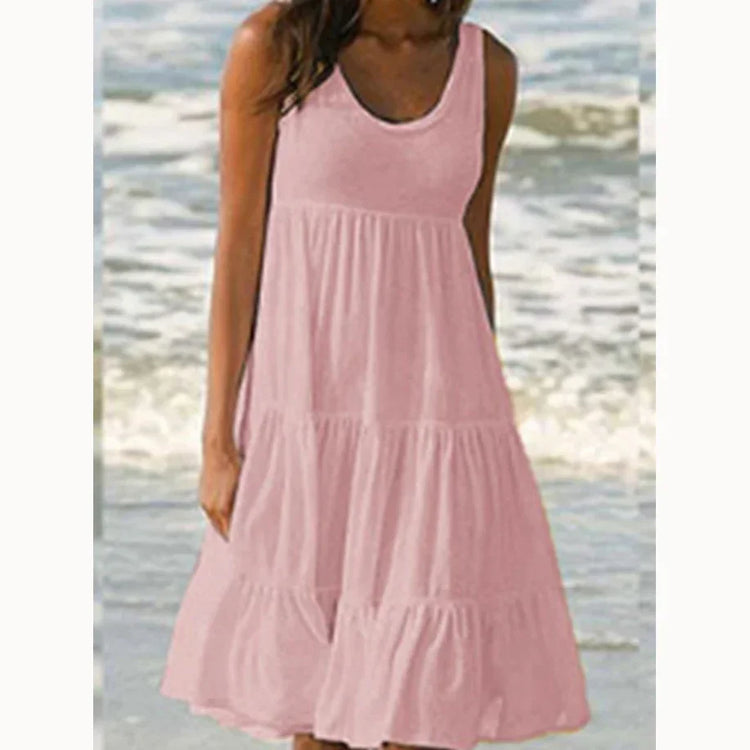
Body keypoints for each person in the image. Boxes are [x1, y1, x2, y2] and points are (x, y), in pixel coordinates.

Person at [159, 1, 592, 749]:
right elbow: (238, 248)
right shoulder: (275, 46)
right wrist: (218, 443)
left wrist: (485, 437)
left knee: (423, 710)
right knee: (317, 715)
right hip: (310, 414)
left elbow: (469, 250)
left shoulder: (485, 67)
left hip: (436, 424)